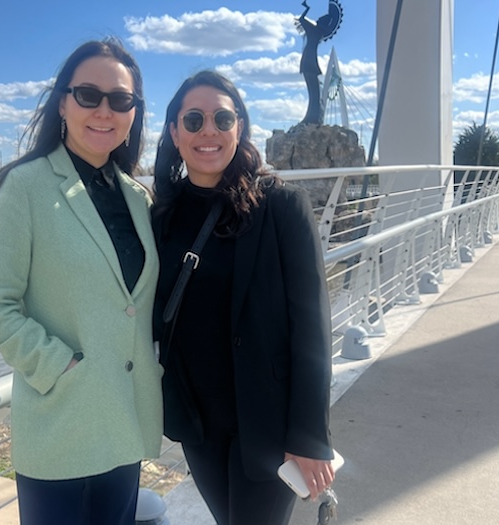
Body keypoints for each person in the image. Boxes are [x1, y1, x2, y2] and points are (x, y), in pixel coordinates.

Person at [0, 37, 163, 525]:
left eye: (120, 99)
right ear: (63, 102)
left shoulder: (138, 198)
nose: (104, 110)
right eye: (88, 95)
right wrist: (57, 366)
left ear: (134, 113)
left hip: (124, 425)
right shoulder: (26, 187)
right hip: (62, 426)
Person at [152, 70, 335, 525]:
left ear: (240, 128)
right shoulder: (162, 216)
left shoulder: (281, 207)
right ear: (174, 133)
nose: (207, 130)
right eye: (192, 120)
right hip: (198, 425)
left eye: (222, 118)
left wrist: (310, 436)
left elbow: (311, 327)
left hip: (268, 425)